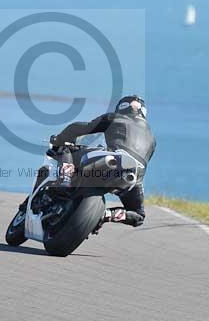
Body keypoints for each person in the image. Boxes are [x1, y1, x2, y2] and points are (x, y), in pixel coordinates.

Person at [50, 94, 156, 227]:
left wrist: (59, 139)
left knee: (66, 148)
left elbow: (79, 128)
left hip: (113, 158)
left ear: (122, 107)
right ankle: (106, 215)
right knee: (139, 215)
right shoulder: (152, 138)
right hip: (134, 176)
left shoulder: (115, 117)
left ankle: (65, 179)